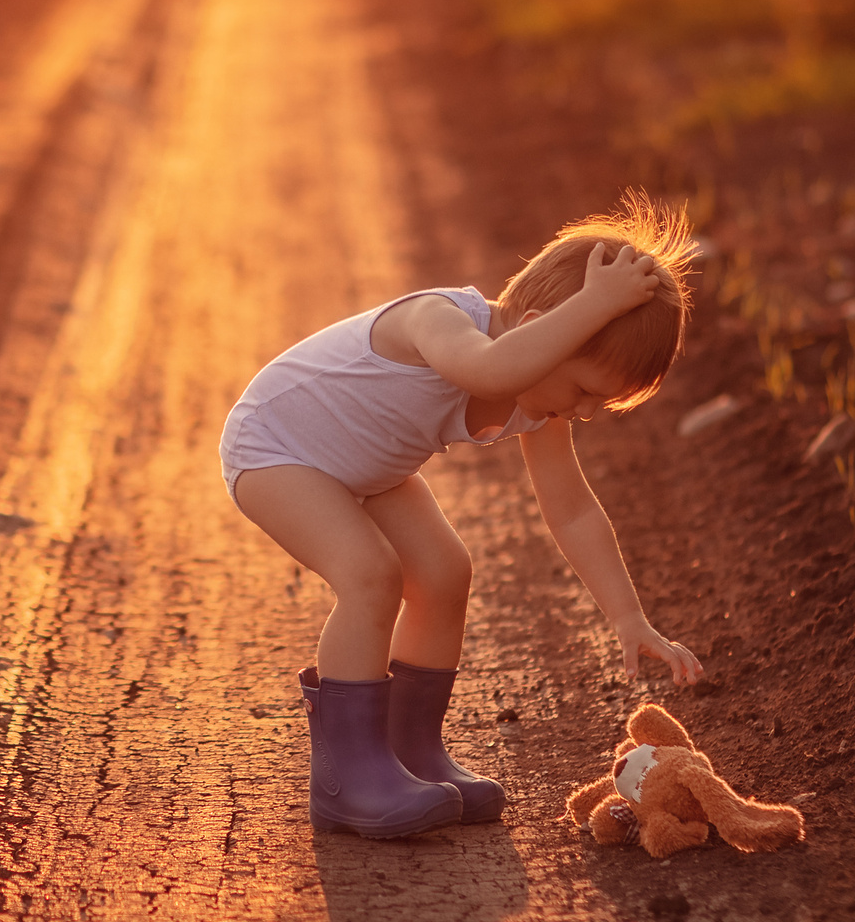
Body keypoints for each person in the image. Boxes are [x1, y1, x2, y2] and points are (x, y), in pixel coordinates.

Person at [222, 194, 705, 838]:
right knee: (370, 574)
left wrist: (628, 616)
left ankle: (408, 752)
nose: (586, 412)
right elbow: (490, 368)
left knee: (446, 571)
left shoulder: (540, 398)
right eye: (585, 391)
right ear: (537, 327)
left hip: (365, 467)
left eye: (602, 403)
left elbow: (573, 511)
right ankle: (348, 776)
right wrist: (596, 303)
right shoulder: (438, 319)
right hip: (277, 447)